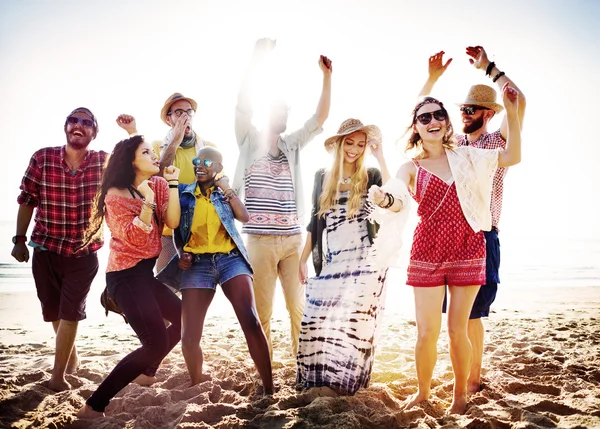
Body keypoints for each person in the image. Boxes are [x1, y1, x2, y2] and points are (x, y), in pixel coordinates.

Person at [370, 83, 522, 414]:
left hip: (468, 244)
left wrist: (511, 108)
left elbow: (513, 156)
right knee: (426, 332)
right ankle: (423, 393)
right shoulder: (410, 167)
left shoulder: (467, 155)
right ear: (417, 127)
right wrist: (384, 199)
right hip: (427, 249)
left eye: (439, 114)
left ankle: (460, 397)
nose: (433, 121)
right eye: (425, 117)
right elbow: (395, 199)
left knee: (458, 330)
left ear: (447, 122)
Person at [419, 47, 527, 393]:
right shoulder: (454, 145)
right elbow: (420, 123)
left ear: (487, 114)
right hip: (451, 237)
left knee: (474, 315)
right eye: (462, 109)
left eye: (470, 110)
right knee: (457, 316)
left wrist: (489, 68)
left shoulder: (497, 141)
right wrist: (432, 78)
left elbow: (519, 102)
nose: (463, 113)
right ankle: (468, 375)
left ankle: (473, 378)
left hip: (483, 235)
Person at [233, 38, 332, 359]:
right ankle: (266, 373)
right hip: (259, 242)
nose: (285, 114)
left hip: (291, 241)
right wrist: (256, 57)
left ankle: (303, 367)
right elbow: (243, 103)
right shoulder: (248, 140)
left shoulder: (291, 145)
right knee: (262, 312)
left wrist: (327, 77)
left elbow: (318, 120)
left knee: (298, 309)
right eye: (279, 109)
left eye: (286, 110)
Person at [76, 135, 182, 419]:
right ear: (131, 161)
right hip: (123, 276)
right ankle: (94, 405)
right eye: (146, 152)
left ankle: (146, 371)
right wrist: (147, 201)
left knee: (186, 319)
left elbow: (172, 221)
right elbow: (135, 237)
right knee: (155, 343)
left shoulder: (158, 183)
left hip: (144, 275)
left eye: (152, 151)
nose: (154, 155)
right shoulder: (115, 195)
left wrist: (171, 184)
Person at [157, 147, 274, 393]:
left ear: (219, 167)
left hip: (231, 259)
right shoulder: (183, 193)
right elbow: (176, 227)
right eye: (197, 160)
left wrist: (226, 188)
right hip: (197, 265)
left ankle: (269, 387)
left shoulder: (224, 195)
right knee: (189, 336)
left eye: (207, 161)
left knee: (251, 320)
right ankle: (197, 383)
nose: (200, 164)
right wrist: (182, 254)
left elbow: (245, 216)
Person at [12, 108, 108, 392]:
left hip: (83, 252)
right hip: (45, 249)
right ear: (66, 127)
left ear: (93, 131)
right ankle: (71, 353)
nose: (79, 125)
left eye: (86, 122)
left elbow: (136, 166)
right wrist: (19, 239)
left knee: (71, 313)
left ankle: (58, 376)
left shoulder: (105, 162)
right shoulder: (42, 158)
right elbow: (27, 198)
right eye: (74, 120)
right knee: (53, 311)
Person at [296, 118, 391, 396]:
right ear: (339, 144)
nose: (354, 149)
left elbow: (392, 190)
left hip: (366, 260)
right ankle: (318, 380)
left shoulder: (371, 174)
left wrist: (380, 154)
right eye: (349, 143)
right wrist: (303, 259)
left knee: (355, 324)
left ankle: (349, 385)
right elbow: (315, 224)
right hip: (334, 259)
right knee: (315, 317)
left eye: (360, 144)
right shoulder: (321, 177)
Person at [116, 93, 217, 272]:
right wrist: (176, 141)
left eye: (189, 111)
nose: (185, 116)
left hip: (200, 231)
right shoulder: (157, 147)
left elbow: (215, 188)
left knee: (199, 287)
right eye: (179, 112)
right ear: (169, 119)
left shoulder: (208, 149)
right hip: (169, 233)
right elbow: (158, 178)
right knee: (167, 288)